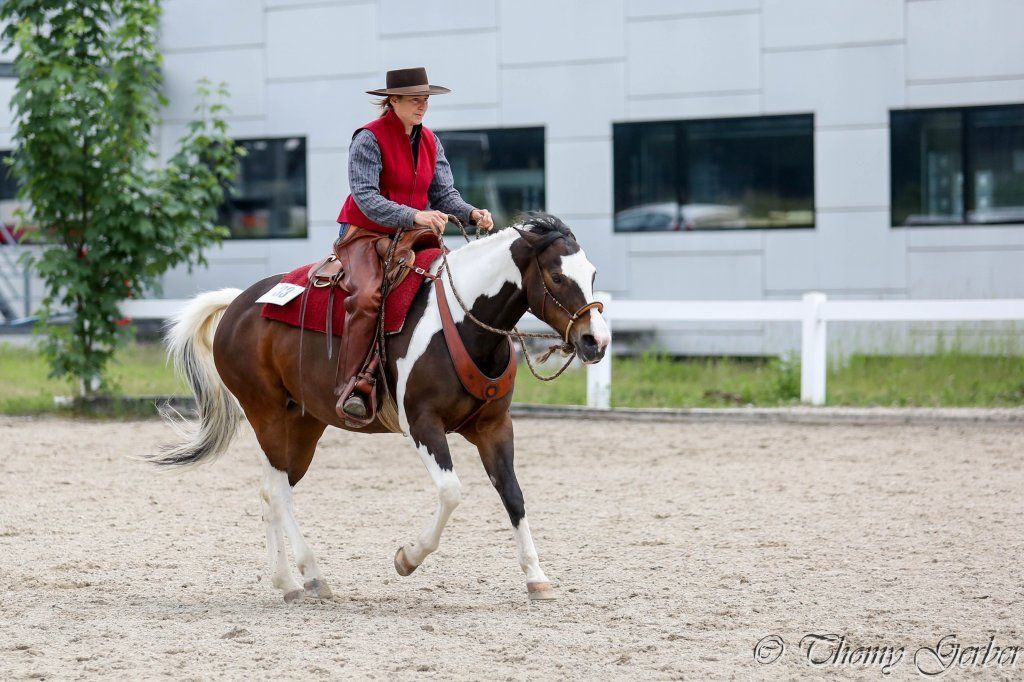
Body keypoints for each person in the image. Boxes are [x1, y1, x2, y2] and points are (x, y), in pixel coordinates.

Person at [333, 67, 495, 424]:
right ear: (393, 101)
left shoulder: (431, 141)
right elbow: (365, 199)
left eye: (425, 100)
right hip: (365, 231)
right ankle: (354, 384)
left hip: (410, 234)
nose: (422, 106)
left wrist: (471, 213)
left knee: (451, 285)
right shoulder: (368, 139)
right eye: (414, 100)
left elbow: (443, 194)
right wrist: (415, 216)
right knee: (366, 297)